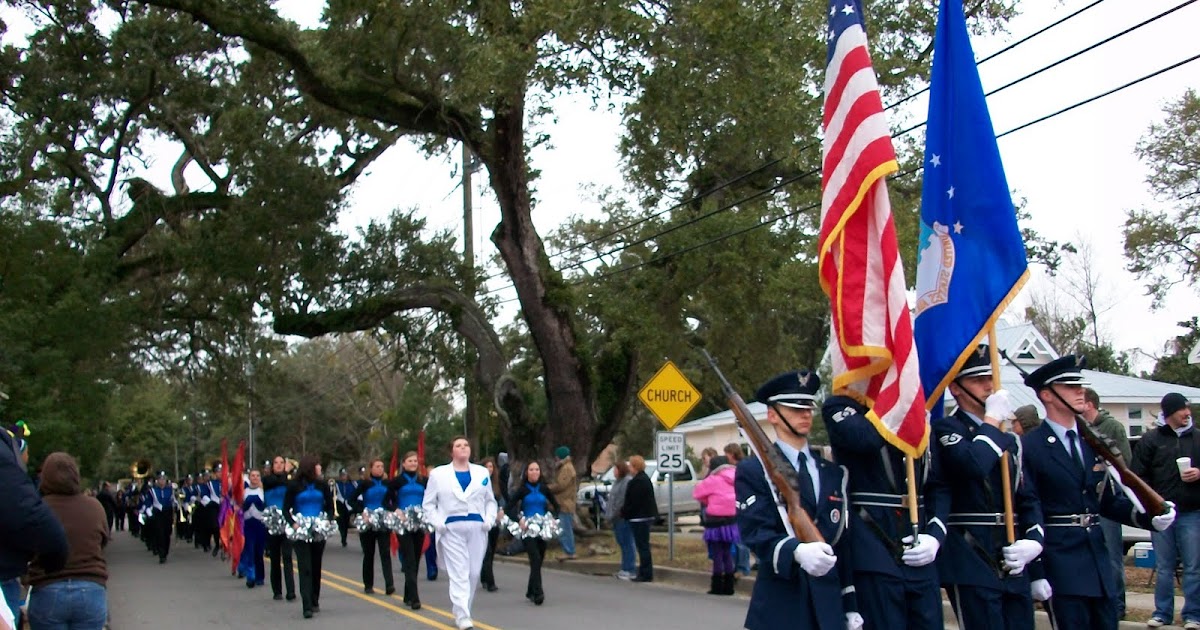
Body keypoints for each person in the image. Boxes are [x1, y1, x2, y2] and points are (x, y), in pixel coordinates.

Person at [1021, 355, 1176, 629]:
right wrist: (1036, 572)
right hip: (1060, 561)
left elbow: (1104, 500)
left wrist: (1146, 517)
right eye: (1070, 386)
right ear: (1047, 395)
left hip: (1097, 558)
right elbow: (1027, 507)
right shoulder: (1030, 447)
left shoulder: (1090, 442)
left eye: (1079, 385)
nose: (1080, 391)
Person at [932, 346, 1045, 630]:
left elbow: (1027, 498)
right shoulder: (948, 429)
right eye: (977, 380)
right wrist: (992, 422)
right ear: (956, 389)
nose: (988, 386)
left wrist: (1034, 541)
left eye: (990, 378)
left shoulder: (1010, 438)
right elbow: (972, 466)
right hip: (971, 554)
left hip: (1011, 555)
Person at [823, 375, 950, 629]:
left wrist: (935, 535)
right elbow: (865, 439)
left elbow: (937, 485)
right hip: (875, 547)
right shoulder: (840, 406)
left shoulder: (914, 411)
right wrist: (899, 408)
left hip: (918, 548)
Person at [737, 370, 857, 630]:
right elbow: (754, 531)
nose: (805, 414)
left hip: (828, 605)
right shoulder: (754, 471)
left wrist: (850, 605)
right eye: (794, 408)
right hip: (782, 602)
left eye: (808, 407)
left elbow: (843, 543)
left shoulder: (834, 472)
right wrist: (797, 551)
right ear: (773, 416)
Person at [1132, 391, 1200, 629]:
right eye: (1183, 409)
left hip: (1192, 511)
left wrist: (1199, 474)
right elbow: (1137, 475)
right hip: (1161, 514)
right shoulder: (1151, 440)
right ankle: (1162, 612)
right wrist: (1152, 503)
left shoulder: (1197, 438)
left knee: (1193, 566)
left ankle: (1193, 614)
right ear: (1170, 412)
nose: (1187, 413)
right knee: (1163, 566)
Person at [25, 452, 109, 630]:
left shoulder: (36, 509)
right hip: (91, 588)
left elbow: (27, 549)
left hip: (48, 589)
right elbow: (102, 542)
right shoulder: (95, 507)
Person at [423, 436, 498, 630]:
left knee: (473, 573)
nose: (463, 448)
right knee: (459, 573)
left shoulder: (481, 473)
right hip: (451, 528)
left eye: (466, 445)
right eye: (458, 445)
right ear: (452, 451)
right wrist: (438, 523)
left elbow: (490, 500)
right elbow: (428, 504)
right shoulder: (439, 474)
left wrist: (489, 520)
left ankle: (463, 609)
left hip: (476, 526)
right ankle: (463, 617)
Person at [1082, 386, 1135, 620]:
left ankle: (1118, 605)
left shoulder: (1112, 427)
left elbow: (1124, 462)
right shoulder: (1079, 428)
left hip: (1109, 498)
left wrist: (1100, 466)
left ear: (1089, 404)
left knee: (1112, 557)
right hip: (1086, 502)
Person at [283, 455, 334, 619]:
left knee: (316, 565)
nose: (319, 469)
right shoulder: (294, 486)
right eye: (316, 466)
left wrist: (327, 520)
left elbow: (330, 507)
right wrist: (294, 523)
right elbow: (286, 509)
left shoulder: (322, 485)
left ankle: (314, 599)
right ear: (308, 468)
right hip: (301, 531)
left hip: (318, 531)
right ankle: (306, 605)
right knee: (305, 567)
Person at [506, 460, 561, 605]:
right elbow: (509, 507)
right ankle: (538, 593)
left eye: (537, 469)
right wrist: (519, 520)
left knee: (538, 561)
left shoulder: (544, 488)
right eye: (531, 470)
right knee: (535, 559)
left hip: (542, 529)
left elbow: (556, 506)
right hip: (528, 530)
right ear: (526, 473)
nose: (534, 472)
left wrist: (554, 519)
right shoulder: (522, 489)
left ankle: (530, 590)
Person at [386, 451, 427, 610]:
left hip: (419, 523)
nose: (413, 463)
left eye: (415, 461)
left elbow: (431, 499)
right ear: (403, 464)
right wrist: (396, 510)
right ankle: (415, 598)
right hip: (403, 523)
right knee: (409, 558)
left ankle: (407, 593)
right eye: (410, 461)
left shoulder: (424, 480)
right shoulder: (397, 481)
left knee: (416, 558)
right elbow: (386, 501)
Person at [693, 454, 739, 595]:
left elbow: (697, 493)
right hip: (731, 519)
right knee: (727, 553)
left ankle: (717, 586)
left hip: (715, 519)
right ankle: (729, 586)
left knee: (717, 554)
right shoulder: (736, 477)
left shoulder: (712, 480)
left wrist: (708, 501)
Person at [349, 458, 395, 595]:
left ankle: (389, 584)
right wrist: (362, 511)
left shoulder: (388, 483)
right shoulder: (365, 484)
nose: (380, 469)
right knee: (369, 553)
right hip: (368, 520)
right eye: (377, 466)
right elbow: (351, 500)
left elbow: (393, 500)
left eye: (382, 466)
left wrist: (392, 511)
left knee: (385, 553)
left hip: (383, 520)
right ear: (371, 468)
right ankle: (368, 585)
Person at [263, 455, 296, 602]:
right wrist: (286, 473)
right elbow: (276, 481)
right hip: (272, 522)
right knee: (275, 558)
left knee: (288, 557)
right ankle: (277, 590)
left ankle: (291, 591)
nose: (278, 465)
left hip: (286, 521)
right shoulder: (267, 480)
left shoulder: (288, 481)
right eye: (276, 463)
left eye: (281, 463)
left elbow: (290, 487)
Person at [621, 455, 657, 583]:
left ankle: (646, 573)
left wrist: (625, 512)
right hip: (643, 516)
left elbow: (633, 502)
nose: (629, 468)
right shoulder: (643, 479)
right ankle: (644, 571)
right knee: (643, 545)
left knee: (642, 546)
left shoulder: (637, 482)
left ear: (635, 467)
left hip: (639, 518)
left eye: (631, 465)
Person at [605, 460, 636, 580]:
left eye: (615, 469)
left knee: (627, 542)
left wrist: (615, 513)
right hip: (615, 518)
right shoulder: (617, 482)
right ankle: (624, 568)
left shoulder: (626, 482)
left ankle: (630, 569)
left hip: (622, 517)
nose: (614, 472)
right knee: (622, 543)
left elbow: (621, 501)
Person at [546, 446, 577, 560]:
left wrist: (547, 488)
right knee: (563, 527)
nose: (555, 459)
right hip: (563, 502)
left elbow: (561, 485)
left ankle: (569, 551)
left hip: (565, 503)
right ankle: (568, 550)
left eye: (556, 457)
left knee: (565, 529)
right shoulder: (565, 467)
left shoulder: (566, 469)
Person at [479, 456, 503, 593]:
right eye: (487, 467)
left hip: (494, 521)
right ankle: (490, 581)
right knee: (486, 551)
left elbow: (500, 499)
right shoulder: (479, 483)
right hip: (482, 521)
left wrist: (500, 511)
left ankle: (484, 576)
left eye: (491, 467)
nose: (489, 469)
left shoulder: (495, 484)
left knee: (491, 550)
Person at [240, 469, 267, 589]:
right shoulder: (244, 491)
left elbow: (264, 507)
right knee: (249, 549)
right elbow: (241, 507)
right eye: (253, 476)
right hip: (248, 524)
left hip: (260, 524)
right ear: (249, 478)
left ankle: (260, 576)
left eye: (257, 476)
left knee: (259, 551)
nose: (255, 478)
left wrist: (257, 502)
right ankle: (250, 576)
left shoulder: (263, 491)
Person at [147, 471, 175, 563]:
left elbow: (174, 500)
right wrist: (148, 512)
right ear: (157, 480)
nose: (162, 481)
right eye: (160, 479)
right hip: (158, 513)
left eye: (163, 479)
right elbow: (148, 502)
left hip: (168, 512)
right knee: (160, 533)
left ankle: (165, 551)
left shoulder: (170, 489)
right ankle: (161, 554)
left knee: (167, 533)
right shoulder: (152, 490)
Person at [334, 468, 355, 548]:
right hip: (340, 505)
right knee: (341, 521)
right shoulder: (337, 484)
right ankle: (343, 536)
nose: (343, 477)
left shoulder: (352, 484)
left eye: (345, 475)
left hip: (349, 504)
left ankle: (344, 537)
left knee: (346, 522)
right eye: (342, 475)